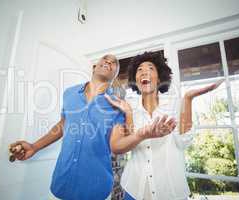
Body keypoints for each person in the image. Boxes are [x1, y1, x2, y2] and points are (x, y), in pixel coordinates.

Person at [10, 54, 176, 200]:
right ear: (96, 66)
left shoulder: (117, 105)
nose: (108, 62)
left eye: (114, 63)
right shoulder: (69, 93)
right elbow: (62, 124)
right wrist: (34, 146)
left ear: (115, 75)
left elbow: (117, 146)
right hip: (60, 184)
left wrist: (141, 132)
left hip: (96, 189)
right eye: (105, 59)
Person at [105, 51, 224, 200]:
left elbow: (184, 142)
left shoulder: (174, 104)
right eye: (139, 70)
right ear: (135, 80)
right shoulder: (128, 107)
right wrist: (134, 120)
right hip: (133, 189)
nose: (144, 72)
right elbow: (122, 147)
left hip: (170, 191)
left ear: (159, 78)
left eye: (150, 68)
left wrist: (187, 100)